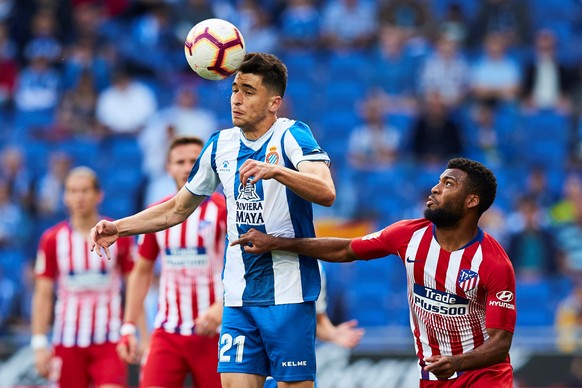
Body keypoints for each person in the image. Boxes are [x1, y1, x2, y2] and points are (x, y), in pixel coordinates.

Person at [90, 52, 336, 388]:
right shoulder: (220, 145)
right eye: (235, 89)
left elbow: (325, 191)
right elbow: (176, 209)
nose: (236, 99)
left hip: (288, 294)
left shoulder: (292, 135)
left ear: (273, 102)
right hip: (237, 297)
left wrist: (277, 171)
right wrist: (119, 227)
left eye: (248, 92)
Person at [232, 157, 517, 387]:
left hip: (484, 377)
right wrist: (276, 243)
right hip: (434, 377)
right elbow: (345, 250)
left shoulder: (493, 263)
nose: (435, 188)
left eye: (448, 184)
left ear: (471, 201)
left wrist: (458, 362)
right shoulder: (408, 235)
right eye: (438, 181)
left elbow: (500, 344)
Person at [117, 136, 227, 388]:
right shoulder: (156, 215)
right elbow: (141, 272)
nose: (188, 167)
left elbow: (245, 267)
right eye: (180, 161)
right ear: (168, 168)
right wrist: (128, 326)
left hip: (215, 331)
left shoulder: (224, 210)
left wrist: (221, 306)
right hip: (168, 332)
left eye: (194, 161)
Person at [31, 167, 137, 388]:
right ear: (65, 197)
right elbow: (42, 295)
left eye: (85, 190)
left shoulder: (118, 235)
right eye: (72, 191)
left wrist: (140, 333)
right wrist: (39, 342)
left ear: (99, 195)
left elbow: (135, 285)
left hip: (109, 340)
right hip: (67, 340)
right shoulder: (52, 239)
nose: (79, 197)